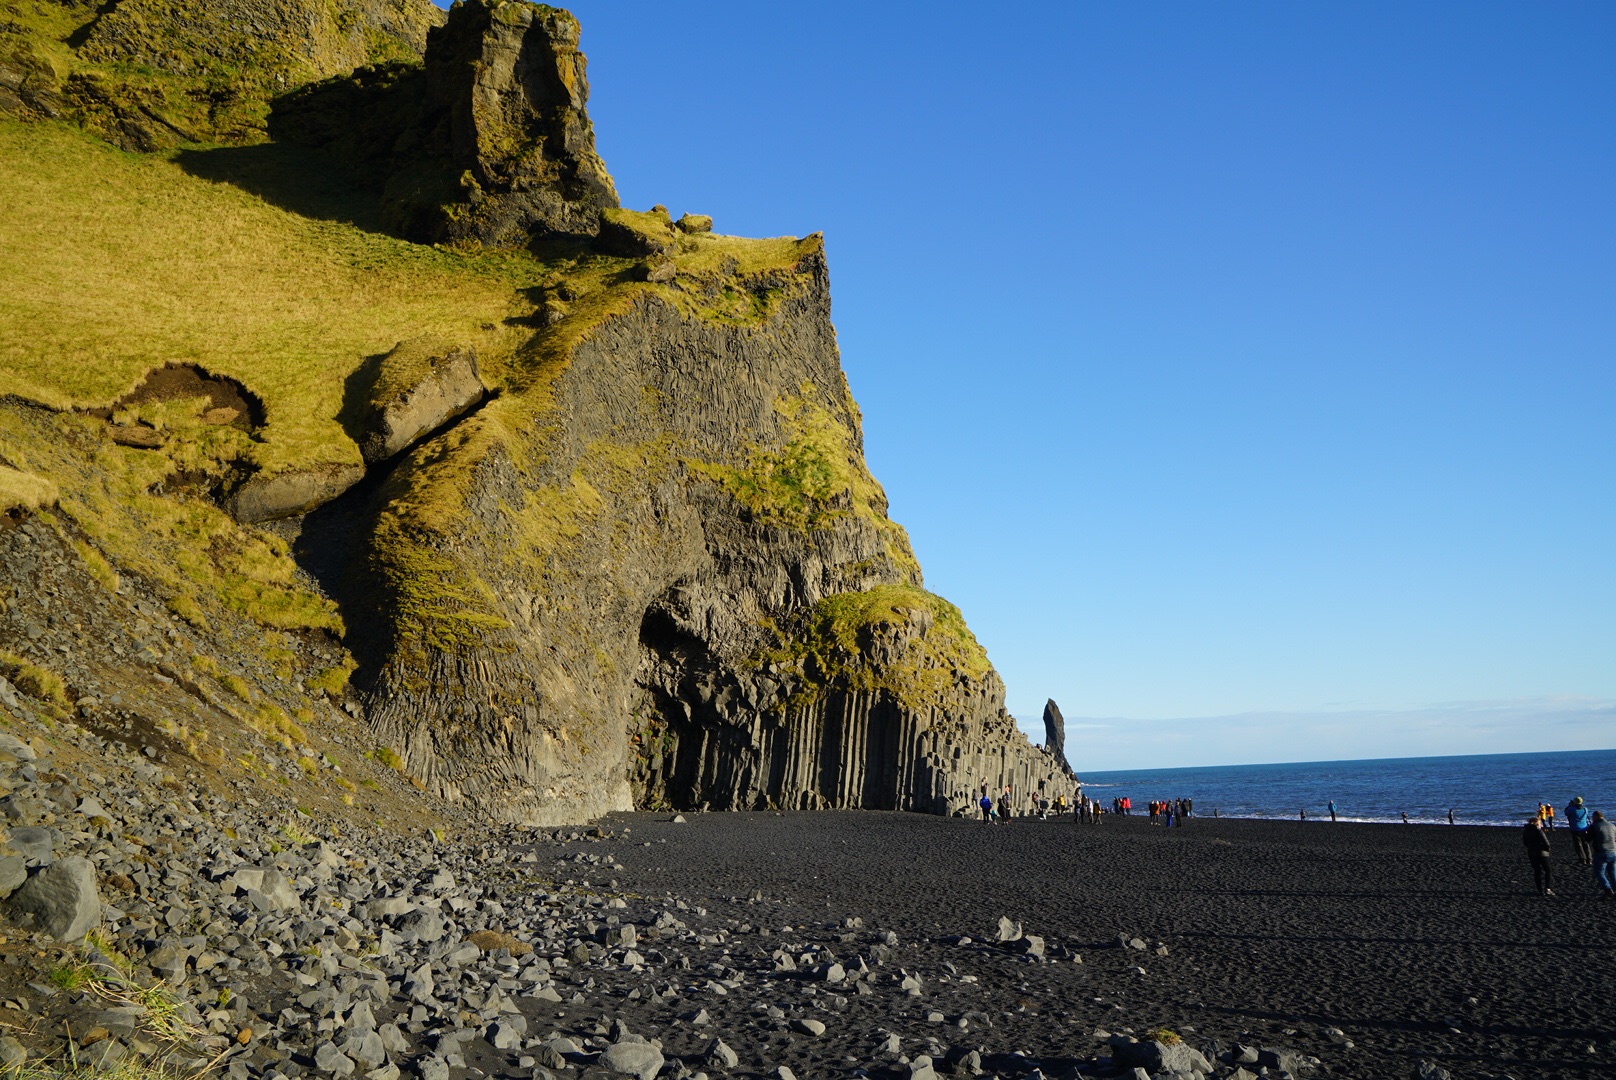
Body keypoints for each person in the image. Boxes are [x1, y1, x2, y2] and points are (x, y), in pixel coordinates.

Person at [1523, 814, 1555, 896]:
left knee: (1537, 872)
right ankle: (1548, 888)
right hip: (1542, 853)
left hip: (1531, 853)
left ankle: (1539, 890)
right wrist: (1547, 850)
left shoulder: (1526, 831)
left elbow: (1525, 843)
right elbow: (1546, 843)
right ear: (1537, 823)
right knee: (1548, 871)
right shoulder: (1538, 831)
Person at [1590, 811, 1616, 899]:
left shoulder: (1594, 826)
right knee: (1612, 872)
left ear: (1596, 817)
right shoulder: (1612, 825)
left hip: (1601, 852)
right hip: (1613, 851)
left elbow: (1588, 839)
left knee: (1599, 872)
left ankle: (1607, 889)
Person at [1566, 796, 1593, 865]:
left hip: (1575, 829)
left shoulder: (1572, 809)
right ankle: (1589, 859)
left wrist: (1569, 806)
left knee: (1578, 845)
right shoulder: (1585, 809)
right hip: (1584, 828)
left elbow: (1566, 813)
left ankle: (1582, 859)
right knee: (1586, 844)